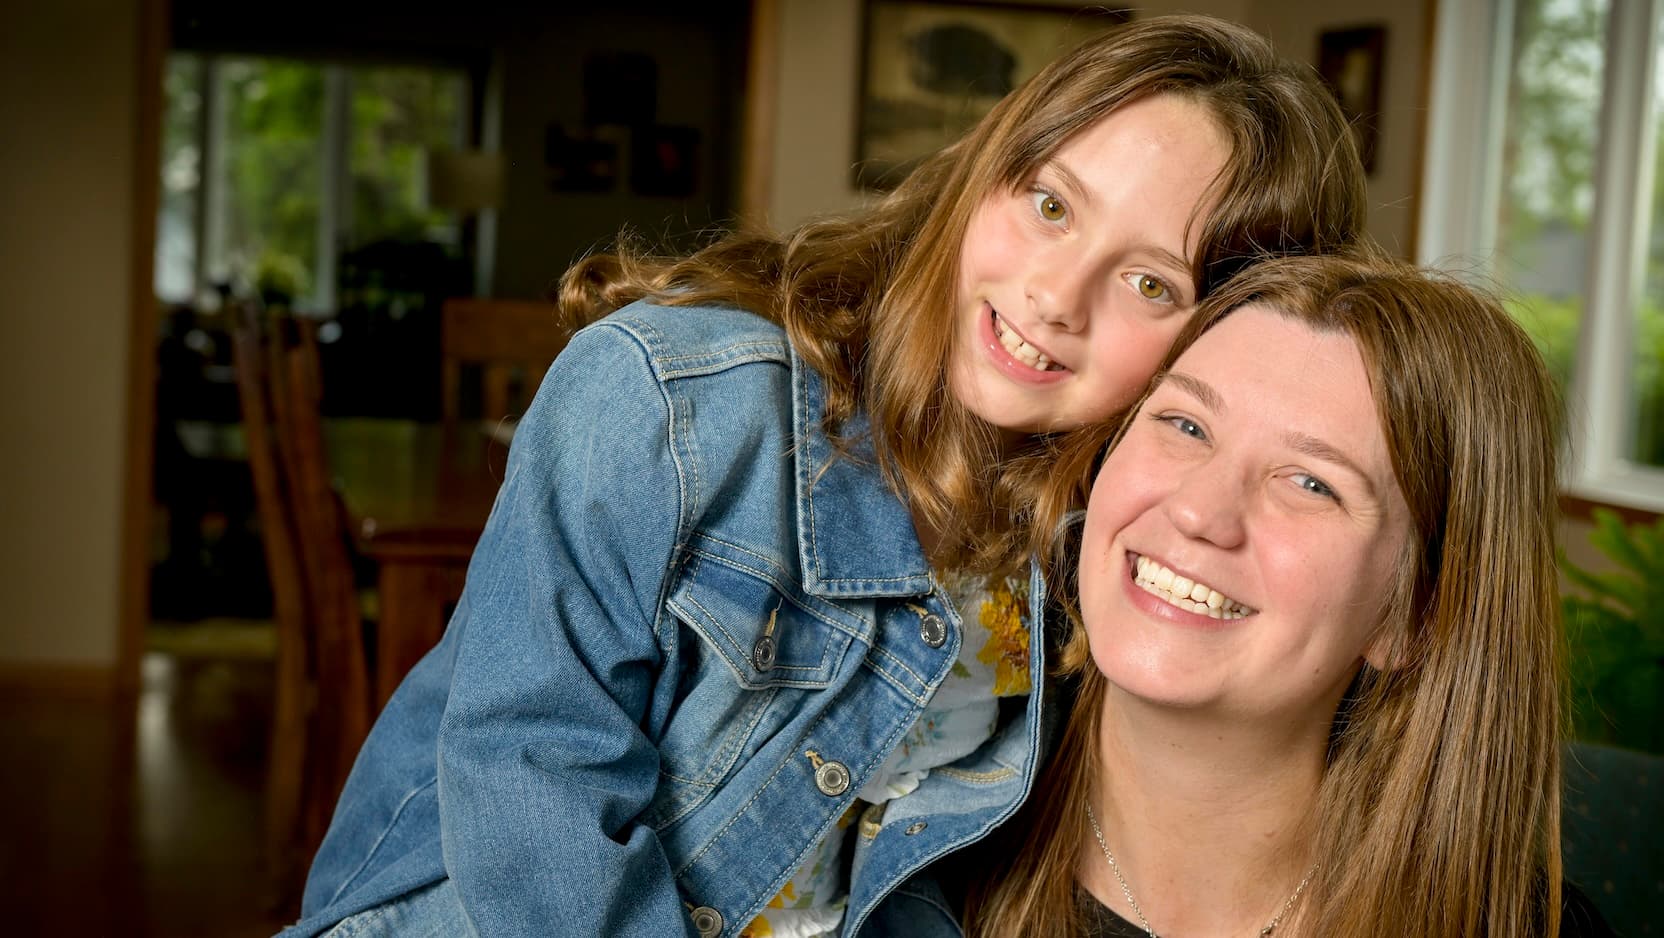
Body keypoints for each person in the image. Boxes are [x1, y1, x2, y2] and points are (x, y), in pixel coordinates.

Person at [279, 15, 1368, 938]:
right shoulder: (667, 399)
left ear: (1213, 337)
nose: (1052, 295)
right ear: (983, 172)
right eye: (1049, 205)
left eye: (1146, 279)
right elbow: (530, 772)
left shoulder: (1096, 548)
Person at [964, 253, 1615, 937]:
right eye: (1186, 425)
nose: (1198, 512)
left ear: (1419, 616)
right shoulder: (893, 841)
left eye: (1310, 483)